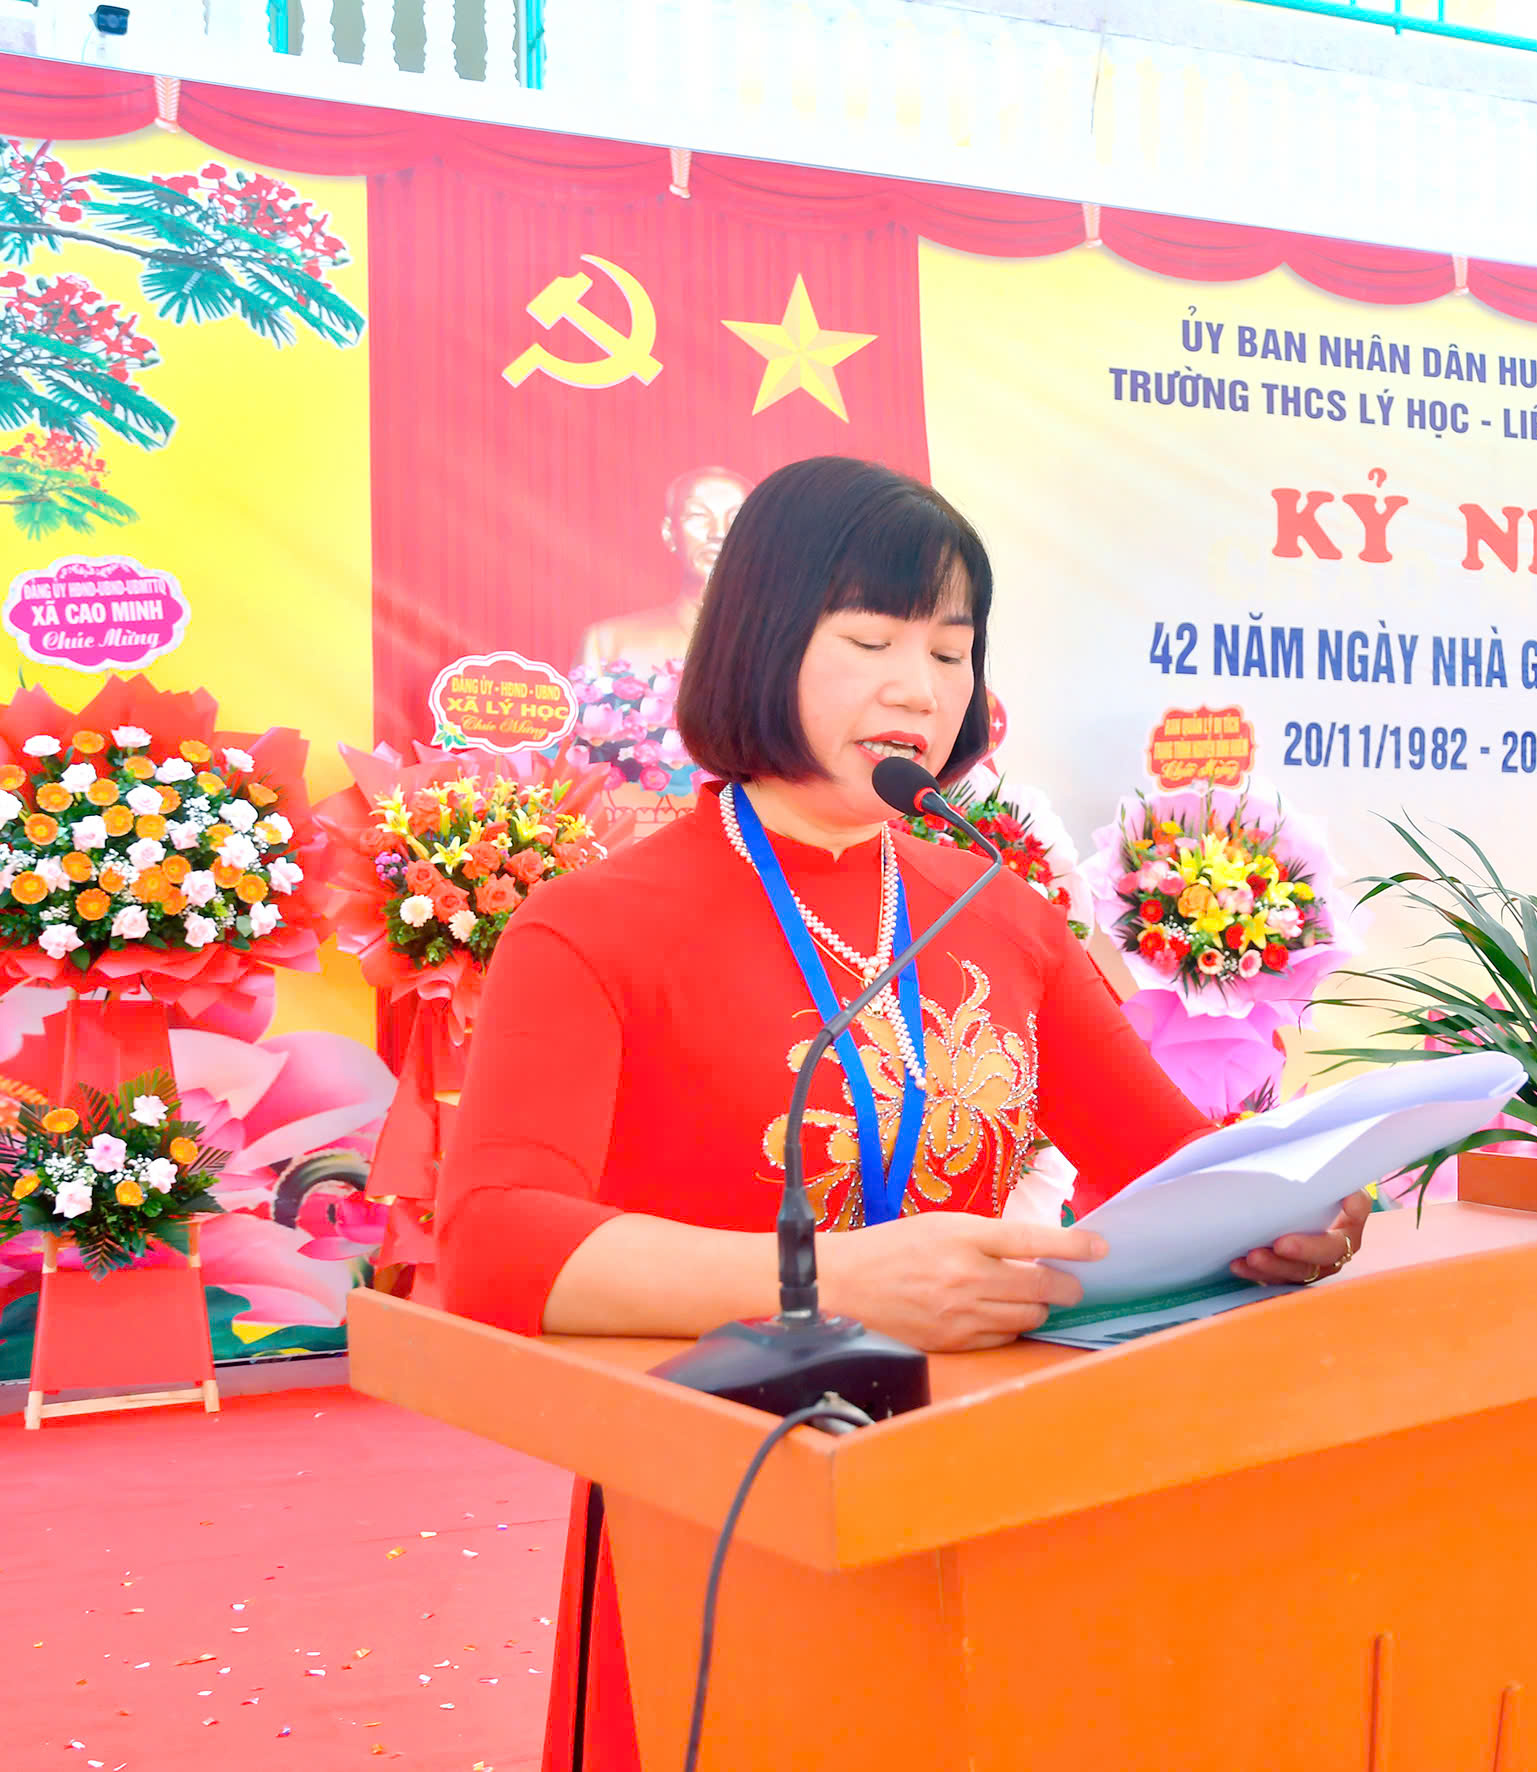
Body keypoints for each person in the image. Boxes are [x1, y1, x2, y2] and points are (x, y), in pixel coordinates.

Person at [436, 456, 1368, 1772]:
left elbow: (1169, 1161)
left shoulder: (997, 913)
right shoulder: (590, 927)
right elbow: (492, 1242)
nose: (919, 690)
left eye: (950, 649)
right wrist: (829, 1283)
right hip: (717, 1501)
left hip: (986, 1471)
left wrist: (1284, 1203)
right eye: (870, 640)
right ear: (759, 639)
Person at [574, 465, 751, 676]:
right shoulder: (608, 643)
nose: (718, 533)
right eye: (698, 516)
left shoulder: (781, 643)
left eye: (737, 518)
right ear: (669, 534)